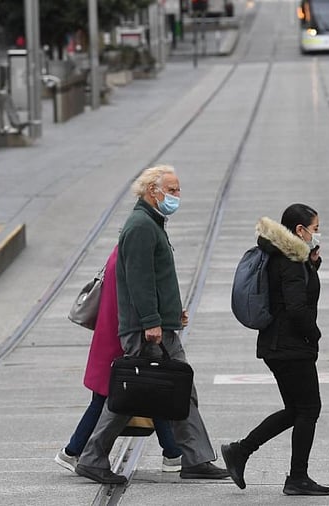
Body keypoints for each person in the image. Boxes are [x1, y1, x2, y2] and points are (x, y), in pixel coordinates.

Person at [74, 165, 230, 485]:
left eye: (177, 190)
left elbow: (158, 280)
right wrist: (151, 322)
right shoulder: (141, 225)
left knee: (181, 390)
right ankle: (92, 457)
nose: (177, 196)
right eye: (171, 190)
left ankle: (195, 458)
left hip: (159, 324)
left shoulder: (152, 223)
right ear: (152, 192)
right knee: (132, 394)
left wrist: (173, 313)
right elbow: (139, 280)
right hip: (146, 328)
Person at [221, 204, 329, 497]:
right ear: (300, 230)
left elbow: (285, 293)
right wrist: (314, 335)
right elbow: (296, 308)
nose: (317, 234)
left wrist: (312, 265)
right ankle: (297, 477)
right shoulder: (292, 261)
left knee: (297, 409)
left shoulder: (282, 254)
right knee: (309, 409)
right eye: (315, 228)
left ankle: (240, 451)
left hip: (277, 344)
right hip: (290, 346)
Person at [54, 245, 183, 475]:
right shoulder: (131, 257)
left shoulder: (119, 253)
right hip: (120, 338)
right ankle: (72, 451)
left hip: (112, 334)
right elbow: (138, 298)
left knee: (147, 391)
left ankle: (172, 453)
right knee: (111, 397)